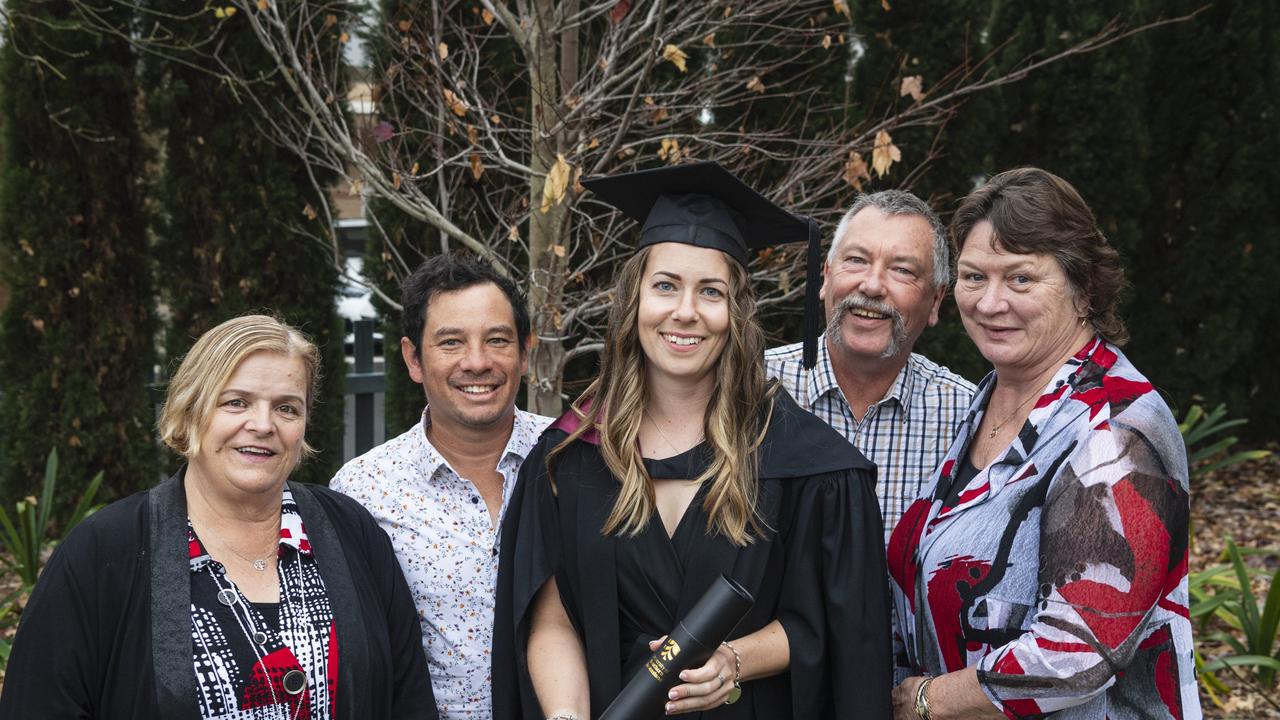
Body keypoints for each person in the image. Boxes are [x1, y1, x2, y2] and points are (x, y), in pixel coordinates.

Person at [493, 162, 892, 719]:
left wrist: (733, 659)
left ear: (736, 312)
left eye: (711, 291)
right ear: (634, 301)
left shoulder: (804, 463)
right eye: (665, 286)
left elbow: (832, 626)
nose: (685, 312)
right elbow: (552, 616)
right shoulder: (572, 455)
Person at [0, 314, 436, 719]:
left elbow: (409, 696)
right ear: (191, 410)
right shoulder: (101, 553)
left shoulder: (351, 531)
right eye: (236, 402)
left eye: (287, 407)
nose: (263, 424)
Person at [887, 168, 1200, 719]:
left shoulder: (1116, 429)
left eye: (1021, 279)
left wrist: (923, 700)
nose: (989, 303)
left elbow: (1078, 653)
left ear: (1083, 289)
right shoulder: (989, 398)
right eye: (973, 276)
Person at [331, 254, 552, 719]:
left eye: (497, 340)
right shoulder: (364, 491)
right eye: (451, 342)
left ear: (525, 352)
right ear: (413, 358)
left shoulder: (572, 459)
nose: (477, 362)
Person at [766, 190, 975, 544]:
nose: (873, 285)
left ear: (936, 300)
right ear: (826, 276)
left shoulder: (968, 421)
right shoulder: (750, 388)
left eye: (902, 270)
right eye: (857, 260)